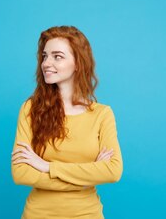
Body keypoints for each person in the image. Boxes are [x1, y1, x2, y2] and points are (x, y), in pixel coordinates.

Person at [10, 25, 123, 219]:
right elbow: (21, 173)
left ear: (78, 63)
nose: (46, 63)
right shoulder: (30, 109)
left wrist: (47, 166)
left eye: (57, 56)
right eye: (44, 56)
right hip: (38, 214)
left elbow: (112, 171)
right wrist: (86, 178)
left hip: (87, 214)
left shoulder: (102, 114)